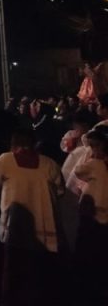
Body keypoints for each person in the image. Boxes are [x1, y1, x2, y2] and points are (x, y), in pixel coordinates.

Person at [0, 127, 66, 306]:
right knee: (41, 276)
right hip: (45, 228)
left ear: (13, 144)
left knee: (14, 275)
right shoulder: (49, 164)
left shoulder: (4, 161)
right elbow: (60, 191)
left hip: (15, 226)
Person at [73, 125, 108, 305]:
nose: (92, 150)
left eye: (95, 147)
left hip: (92, 215)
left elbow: (79, 171)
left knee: (89, 255)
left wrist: (90, 156)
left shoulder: (95, 164)